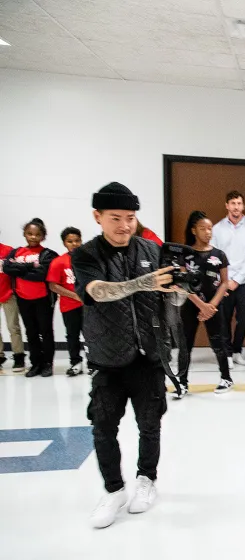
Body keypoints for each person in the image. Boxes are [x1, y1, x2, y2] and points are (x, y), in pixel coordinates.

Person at [71, 182, 177, 529]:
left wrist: (178, 290)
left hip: (148, 356)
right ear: (97, 217)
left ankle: (147, 480)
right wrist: (142, 283)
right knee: (102, 428)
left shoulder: (150, 248)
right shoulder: (86, 255)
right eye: (115, 218)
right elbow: (96, 292)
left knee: (150, 424)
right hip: (107, 358)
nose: (124, 226)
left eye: (130, 218)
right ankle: (114, 490)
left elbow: (167, 299)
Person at [175, 211, 233, 396]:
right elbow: (182, 283)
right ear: (193, 230)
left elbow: (224, 282)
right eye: (203, 228)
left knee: (218, 341)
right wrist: (201, 305)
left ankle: (226, 378)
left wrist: (211, 306)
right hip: (191, 304)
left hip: (214, 305)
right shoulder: (185, 254)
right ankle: (182, 383)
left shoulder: (219, 254)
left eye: (210, 228)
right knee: (186, 343)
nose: (208, 232)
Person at [0, 219, 58, 377]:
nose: (33, 237)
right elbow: (7, 268)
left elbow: (42, 275)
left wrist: (20, 270)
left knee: (45, 331)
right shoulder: (17, 252)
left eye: (37, 234)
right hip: (23, 298)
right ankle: (35, 363)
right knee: (31, 332)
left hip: (43, 299)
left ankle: (47, 364)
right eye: (30, 234)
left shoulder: (48, 254)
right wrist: (30, 266)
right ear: (24, 234)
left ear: (43, 236)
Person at [213, 190, 245, 366]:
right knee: (224, 319)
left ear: (243, 206)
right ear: (227, 205)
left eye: (239, 203)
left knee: (244, 318)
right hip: (224, 282)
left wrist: (236, 280)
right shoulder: (217, 229)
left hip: (244, 282)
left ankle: (237, 350)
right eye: (232, 203)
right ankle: (227, 355)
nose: (236, 207)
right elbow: (214, 257)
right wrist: (225, 281)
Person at [46, 227, 86, 376]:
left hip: (88, 305)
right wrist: (75, 296)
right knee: (72, 335)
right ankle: (75, 363)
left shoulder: (88, 259)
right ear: (64, 243)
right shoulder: (58, 262)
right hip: (69, 306)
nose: (74, 244)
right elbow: (53, 285)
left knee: (91, 334)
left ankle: (95, 363)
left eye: (77, 240)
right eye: (70, 241)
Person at [0, 231, 26, 373]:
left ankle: (18, 356)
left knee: (13, 326)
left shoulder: (8, 250)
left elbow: (15, 270)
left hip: (8, 294)